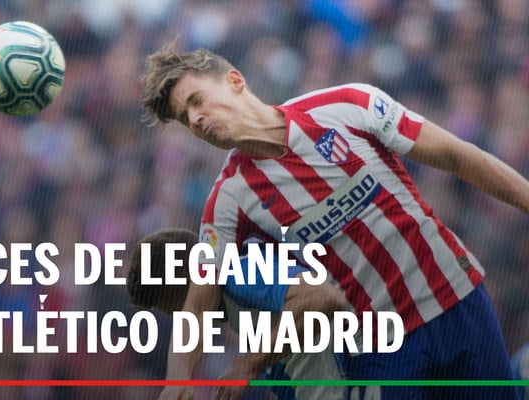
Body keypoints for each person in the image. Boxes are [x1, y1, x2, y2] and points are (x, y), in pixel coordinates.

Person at [139, 44, 529, 400]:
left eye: (196, 101)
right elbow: (200, 296)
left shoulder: (345, 106)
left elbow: (457, 156)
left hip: (457, 299)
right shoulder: (228, 201)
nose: (196, 119)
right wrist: (178, 379)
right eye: (185, 118)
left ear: (235, 81)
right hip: (383, 352)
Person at [127, 228, 347, 400]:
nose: (180, 319)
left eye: (173, 310)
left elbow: (324, 297)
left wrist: (248, 364)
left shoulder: (237, 272)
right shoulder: (238, 303)